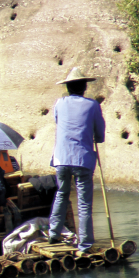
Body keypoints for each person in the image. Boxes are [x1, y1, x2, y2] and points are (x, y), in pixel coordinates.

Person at [47, 67, 106, 252]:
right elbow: (100, 135)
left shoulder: (59, 103)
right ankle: (85, 244)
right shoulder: (92, 105)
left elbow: (59, 122)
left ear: (68, 88)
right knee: (84, 203)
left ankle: (53, 234)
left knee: (62, 193)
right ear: (84, 87)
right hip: (83, 160)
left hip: (62, 158)